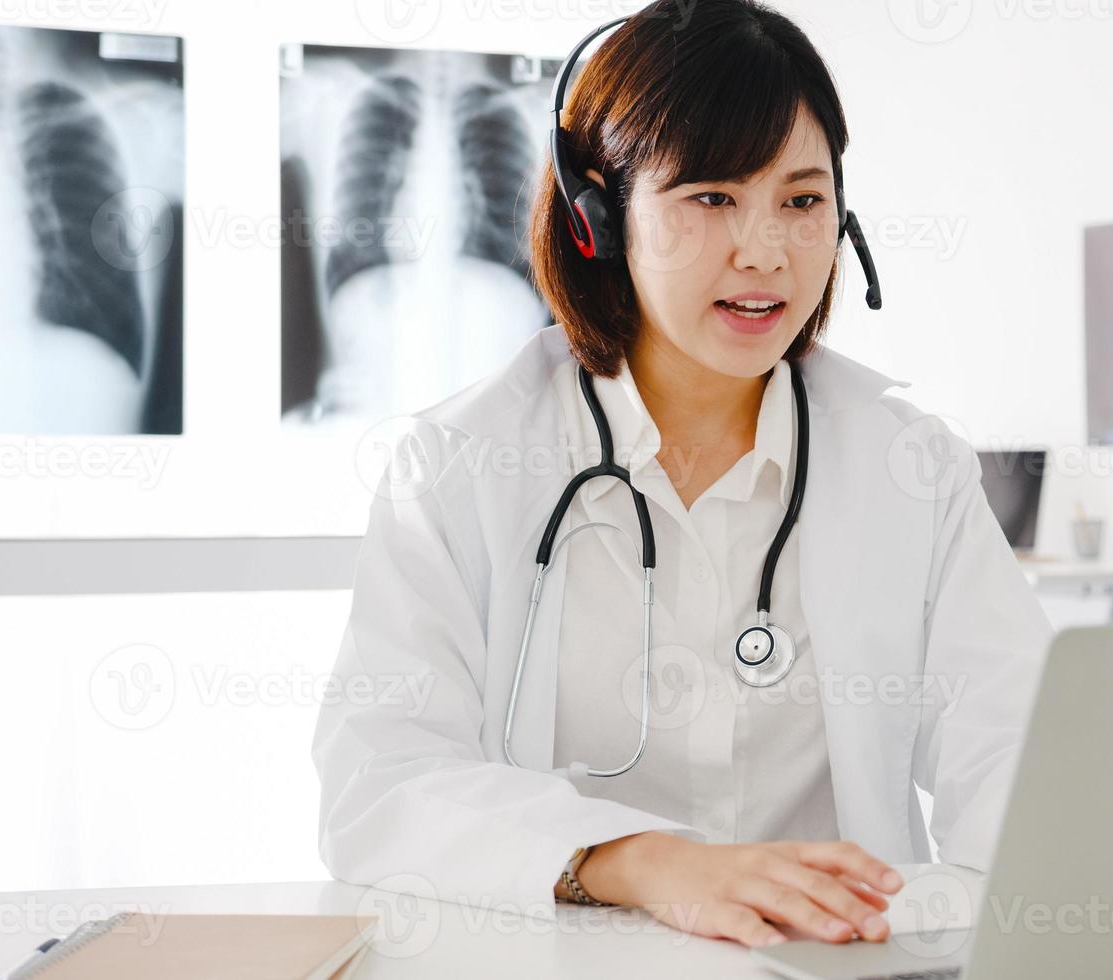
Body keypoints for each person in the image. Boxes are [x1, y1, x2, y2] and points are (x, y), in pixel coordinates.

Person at [311, 0, 1051, 950]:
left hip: (834, 968)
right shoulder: (461, 466)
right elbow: (382, 784)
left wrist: (987, 920)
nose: (766, 251)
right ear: (599, 218)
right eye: (711, 198)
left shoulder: (911, 468)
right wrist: (655, 863)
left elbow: (1018, 753)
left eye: (802, 199)